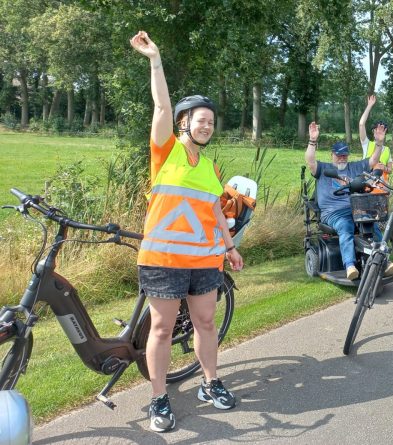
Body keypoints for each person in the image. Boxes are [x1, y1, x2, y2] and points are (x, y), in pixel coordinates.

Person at [130, 31, 243, 433]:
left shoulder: (210, 168)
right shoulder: (166, 151)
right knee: (160, 329)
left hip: (205, 261)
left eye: (212, 122)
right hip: (163, 260)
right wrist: (155, 59)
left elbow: (214, 209)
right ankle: (158, 397)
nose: (208, 125)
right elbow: (160, 103)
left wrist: (229, 248)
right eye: (201, 120)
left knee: (206, 324)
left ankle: (210, 383)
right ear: (185, 123)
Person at [305, 122, 391, 281]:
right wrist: (312, 140)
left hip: (356, 208)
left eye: (344, 155)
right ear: (332, 155)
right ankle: (349, 265)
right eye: (339, 155)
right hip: (333, 213)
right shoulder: (323, 169)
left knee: (372, 224)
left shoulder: (354, 167)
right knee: (346, 227)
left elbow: (373, 161)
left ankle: (384, 261)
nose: (342, 158)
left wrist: (379, 143)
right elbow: (310, 161)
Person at [359, 95, 393, 175]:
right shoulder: (366, 144)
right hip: (365, 183)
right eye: (378, 131)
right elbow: (361, 124)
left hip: (381, 185)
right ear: (373, 132)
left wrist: (384, 168)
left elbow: (390, 170)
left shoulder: (387, 150)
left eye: (382, 131)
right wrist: (369, 106)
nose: (379, 133)